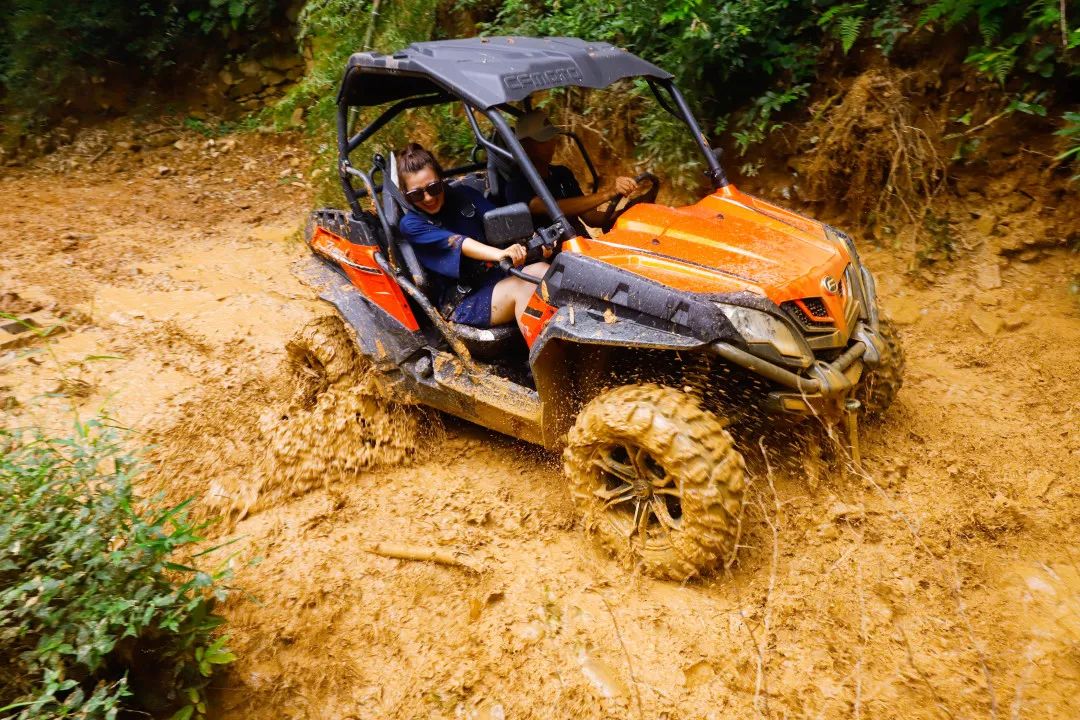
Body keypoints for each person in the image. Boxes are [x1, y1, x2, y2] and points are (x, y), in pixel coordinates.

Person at [396, 143, 548, 335]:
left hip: (497, 275)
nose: (428, 198)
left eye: (433, 188)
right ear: (406, 196)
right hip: (464, 299)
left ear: (441, 180)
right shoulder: (411, 224)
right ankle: (551, 362)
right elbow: (458, 242)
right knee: (524, 289)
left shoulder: (464, 196)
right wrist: (501, 254)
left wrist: (533, 241)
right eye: (417, 194)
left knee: (544, 272)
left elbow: (503, 222)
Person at [504, 110, 639, 234]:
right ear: (525, 145)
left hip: (581, 247)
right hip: (552, 254)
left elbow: (591, 218)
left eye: (552, 137)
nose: (552, 143)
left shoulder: (562, 174)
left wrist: (628, 213)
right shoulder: (517, 185)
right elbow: (552, 207)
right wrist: (609, 193)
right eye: (544, 139)